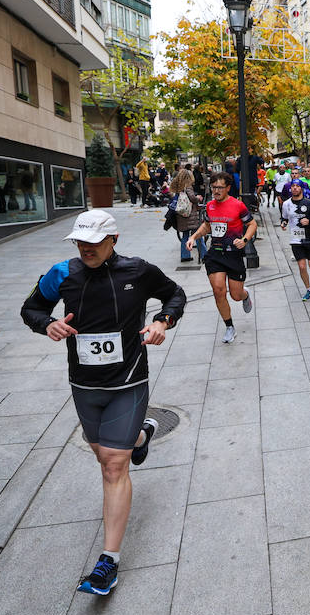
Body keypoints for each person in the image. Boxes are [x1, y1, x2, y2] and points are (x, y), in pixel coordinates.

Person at [21, 210, 186, 595]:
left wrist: (163, 320)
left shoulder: (137, 271)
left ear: (113, 239)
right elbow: (31, 308)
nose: (86, 248)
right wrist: (46, 324)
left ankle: (107, 561)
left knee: (113, 465)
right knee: (104, 454)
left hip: (128, 381)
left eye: (94, 242)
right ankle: (141, 437)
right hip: (84, 384)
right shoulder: (61, 273)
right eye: (81, 241)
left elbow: (174, 294)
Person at [186, 172, 255, 344]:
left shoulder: (238, 206)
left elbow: (252, 224)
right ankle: (229, 327)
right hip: (215, 254)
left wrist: (245, 240)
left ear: (228, 188)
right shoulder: (210, 206)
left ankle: (245, 295)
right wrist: (193, 237)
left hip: (234, 254)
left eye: (220, 187)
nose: (216, 190)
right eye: (213, 187)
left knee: (235, 295)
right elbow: (207, 226)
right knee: (218, 291)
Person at [281, 179, 310, 300]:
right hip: (296, 239)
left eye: (297, 186)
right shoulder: (286, 204)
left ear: (301, 188)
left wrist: (309, 221)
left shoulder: (309, 203)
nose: (295, 188)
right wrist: (283, 224)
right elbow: (284, 218)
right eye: (293, 186)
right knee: (301, 266)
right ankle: (308, 290)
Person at [170, 169, 202, 263]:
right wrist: (198, 198)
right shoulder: (188, 186)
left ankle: (185, 256)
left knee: (185, 235)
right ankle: (204, 254)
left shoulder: (177, 186)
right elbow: (193, 198)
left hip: (181, 214)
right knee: (198, 234)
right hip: (190, 215)